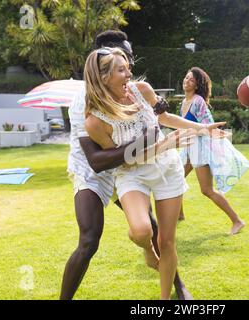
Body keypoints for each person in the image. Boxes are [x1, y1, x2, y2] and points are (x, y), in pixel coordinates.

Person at [83, 47, 228, 299]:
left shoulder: (142, 91)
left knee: (167, 242)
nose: (129, 73)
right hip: (132, 174)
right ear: (103, 77)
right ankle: (147, 248)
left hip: (166, 168)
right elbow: (124, 159)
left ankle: (164, 298)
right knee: (141, 231)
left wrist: (202, 128)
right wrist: (165, 144)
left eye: (128, 67)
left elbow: (166, 117)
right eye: (121, 69)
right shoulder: (95, 121)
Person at [61, 30, 192, 300]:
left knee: (151, 227)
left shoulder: (126, 88)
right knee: (89, 240)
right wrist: (145, 144)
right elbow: (97, 161)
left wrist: (158, 112)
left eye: (129, 58)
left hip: (127, 165)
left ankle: (179, 289)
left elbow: (150, 118)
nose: (130, 65)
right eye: (125, 58)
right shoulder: (82, 104)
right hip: (92, 169)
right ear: (104, 61)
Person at [178, 67, 249, 235]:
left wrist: (219, 134)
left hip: (200, 150)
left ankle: (237, 221)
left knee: (207, 190)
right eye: (186, 78)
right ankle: (179, 215)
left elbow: (207, 126)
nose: (186, 81)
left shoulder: (198, 101)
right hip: (188, 148)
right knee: (175, 178)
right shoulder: (184, 101)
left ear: (196, 86)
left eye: (190, 80)